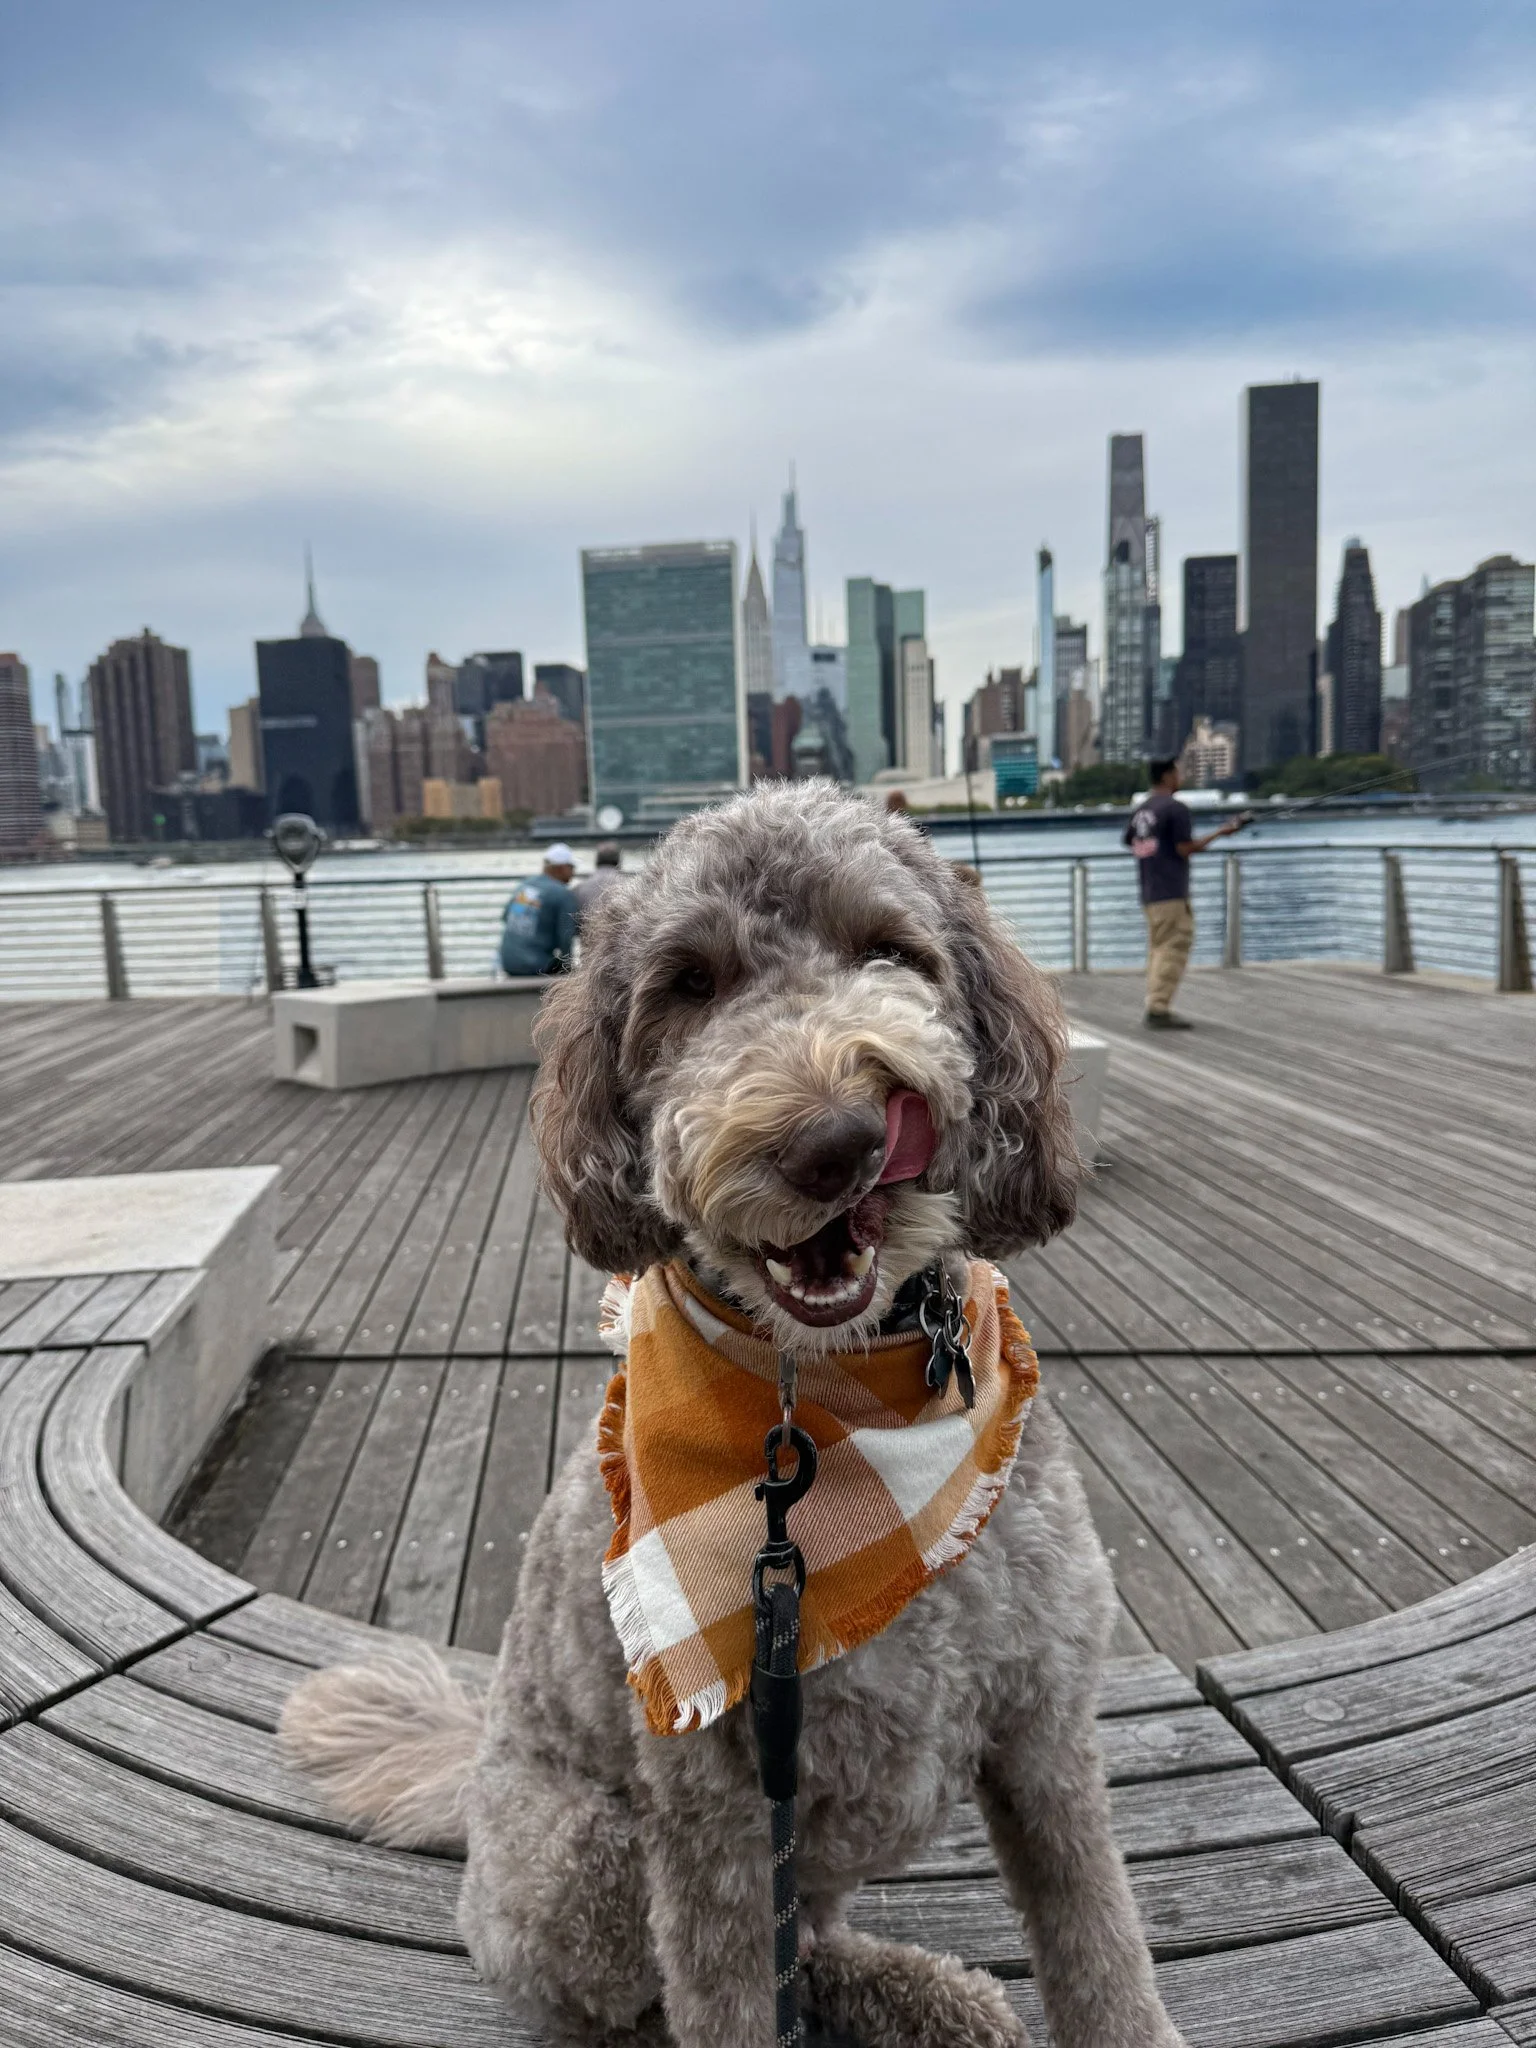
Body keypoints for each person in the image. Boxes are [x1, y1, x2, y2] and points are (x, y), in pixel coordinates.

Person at [1123, 760, 1250, 1029]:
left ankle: (1155, 1003)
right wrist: (1221, 832)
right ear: (1168, 776)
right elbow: (1184, 848)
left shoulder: (1144, 809)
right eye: (1178, 773)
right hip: (1171, 891)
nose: (1180, 777)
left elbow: (1130, 840)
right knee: (1173, 947)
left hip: (1149, 890)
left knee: (1158, 949)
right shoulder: (1175, 808)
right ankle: (1158, 1008)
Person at [500, 843, 578, 977]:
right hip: (534, 965)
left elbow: (507, 917)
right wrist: (570, 972)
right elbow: (565, 939)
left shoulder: (526, 886)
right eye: (571, 867)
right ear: (560, 868)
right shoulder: (563, 894)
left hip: (507, 962)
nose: (573, 872)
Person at [572, 840, 624, 925]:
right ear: (618, 861)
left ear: (597, 861)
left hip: (588, 935)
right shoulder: (629, 885)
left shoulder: (579, 888)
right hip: (619, 936)